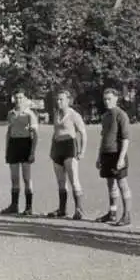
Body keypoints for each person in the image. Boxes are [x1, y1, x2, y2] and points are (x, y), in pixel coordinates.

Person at [47, 89, 87, 220]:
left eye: (61, 99)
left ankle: (79, 209)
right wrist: (52, 149)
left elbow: (83, 133)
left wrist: (82, 151)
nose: (58, 102)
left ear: (68, 100)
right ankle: (62, 209)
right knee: (60, 181)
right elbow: (55, 132)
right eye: (57, 99)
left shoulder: (74, 115)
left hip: (70, 147)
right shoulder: (56, 114)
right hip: (57, 148)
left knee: (73, 179)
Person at [95, 88, 132, 226]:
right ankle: (112, 213)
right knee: (110, 184)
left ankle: (127, 214)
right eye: (105, 99)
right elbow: (103, 137)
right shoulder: (105, 116)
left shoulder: (121, 115)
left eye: (109, 99)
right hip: (106, 154)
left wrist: (121, 158)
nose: (107, 102)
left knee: (122, 184)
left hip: (118, 153)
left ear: (116, 99)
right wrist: (99, 157)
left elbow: (125, 139)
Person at [2, 88, 38, 215]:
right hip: (13, 145)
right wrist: (7, 150)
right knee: (14, 178)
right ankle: (14, 205)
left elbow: (35, 135)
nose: (18, 100)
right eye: (16, 98)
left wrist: (32, 152)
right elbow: (8, 132)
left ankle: (29, 207)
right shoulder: (11, 113)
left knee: (27, 178)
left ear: (25, 99)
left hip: (25, 144)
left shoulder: (30, 115)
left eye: (21, 97)